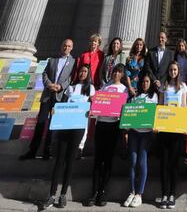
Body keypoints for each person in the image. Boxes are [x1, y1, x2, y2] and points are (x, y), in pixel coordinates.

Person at [39, 64, 95, 210]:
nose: (83, 73)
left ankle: (63, 194)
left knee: (70, 161)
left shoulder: (90, 88)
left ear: (88, 74)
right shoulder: (70, 87)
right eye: (81, 71)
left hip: (79, 127)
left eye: (85, 72)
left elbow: (94, 106)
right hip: (66, 126)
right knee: (59, 161)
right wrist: (55, 110)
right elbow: (62, 103)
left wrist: (91, 112)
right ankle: (51, 195)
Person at [19, 39, 76, 161]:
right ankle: (32, 150)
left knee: (53, 125)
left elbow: (71, 78)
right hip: (47, 94)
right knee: (41, 122)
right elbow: (45, 73)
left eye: (69, 46)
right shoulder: (52, 59)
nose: (66, 48)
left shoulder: (73, 62)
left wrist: (61, 87)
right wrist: (49, 84)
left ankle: (47, 151)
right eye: (64, 45)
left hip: (59, 96)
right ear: (61, 46)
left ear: (72, 48)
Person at [86, 63, 128, 207]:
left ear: (122, 75)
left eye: (119, 72)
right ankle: (93, 192)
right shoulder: (104, 87)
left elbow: (124, 108)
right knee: (98, 159)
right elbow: (97, 103)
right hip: (101, 124)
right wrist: (92, 107)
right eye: (115, 71)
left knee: (108, 160)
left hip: (113, 125)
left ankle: (102, 192)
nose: (116, 74)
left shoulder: (124, 89)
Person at [123, 74, 158, 208]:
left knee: (142, 161)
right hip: (133, 132)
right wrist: (126, 130)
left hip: (146, 133)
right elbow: (129, 113)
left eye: (147, 81)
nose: (145, 83)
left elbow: (154, 113)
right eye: (143, 81)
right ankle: (132, 191)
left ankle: (139, 194)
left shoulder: (153, 97)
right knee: (132, 161)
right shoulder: (134, 96)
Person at [158, 61, 187, 209]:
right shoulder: (163, 86)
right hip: (164, 128)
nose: (173, 72)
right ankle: (164, 194)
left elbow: (184, 106)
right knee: (164, 162)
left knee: (174, 163)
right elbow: (160, 105)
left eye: (175, 70)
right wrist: (157, 124)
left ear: (178, 71)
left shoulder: (182, 87)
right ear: (168, 71)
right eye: (171, 69)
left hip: (176, 129)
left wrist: (184, 126)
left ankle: (172, 194)